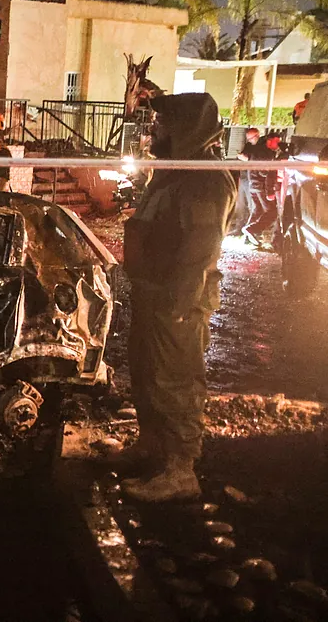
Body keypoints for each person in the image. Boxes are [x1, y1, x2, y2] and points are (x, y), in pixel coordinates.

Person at [119, 93, 236, 502]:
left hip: (178, 298)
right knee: (147, 372)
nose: (154, 129)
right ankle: (151, 446)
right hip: (153, 290)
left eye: (162, 123)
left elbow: (201, 248)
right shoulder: (174, 172)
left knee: (176, 379)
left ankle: (180, 469)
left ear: (186, 129)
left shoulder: (205, 178)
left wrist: (180, 304)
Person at [238, 127, 278, 247]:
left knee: (257, 210)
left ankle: (248, 235)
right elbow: (265, 171)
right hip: (260, 186)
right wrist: (269, 189)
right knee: (271, 212)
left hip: (253, 184)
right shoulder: (265, 151)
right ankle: (251, 230)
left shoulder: (255, 149)